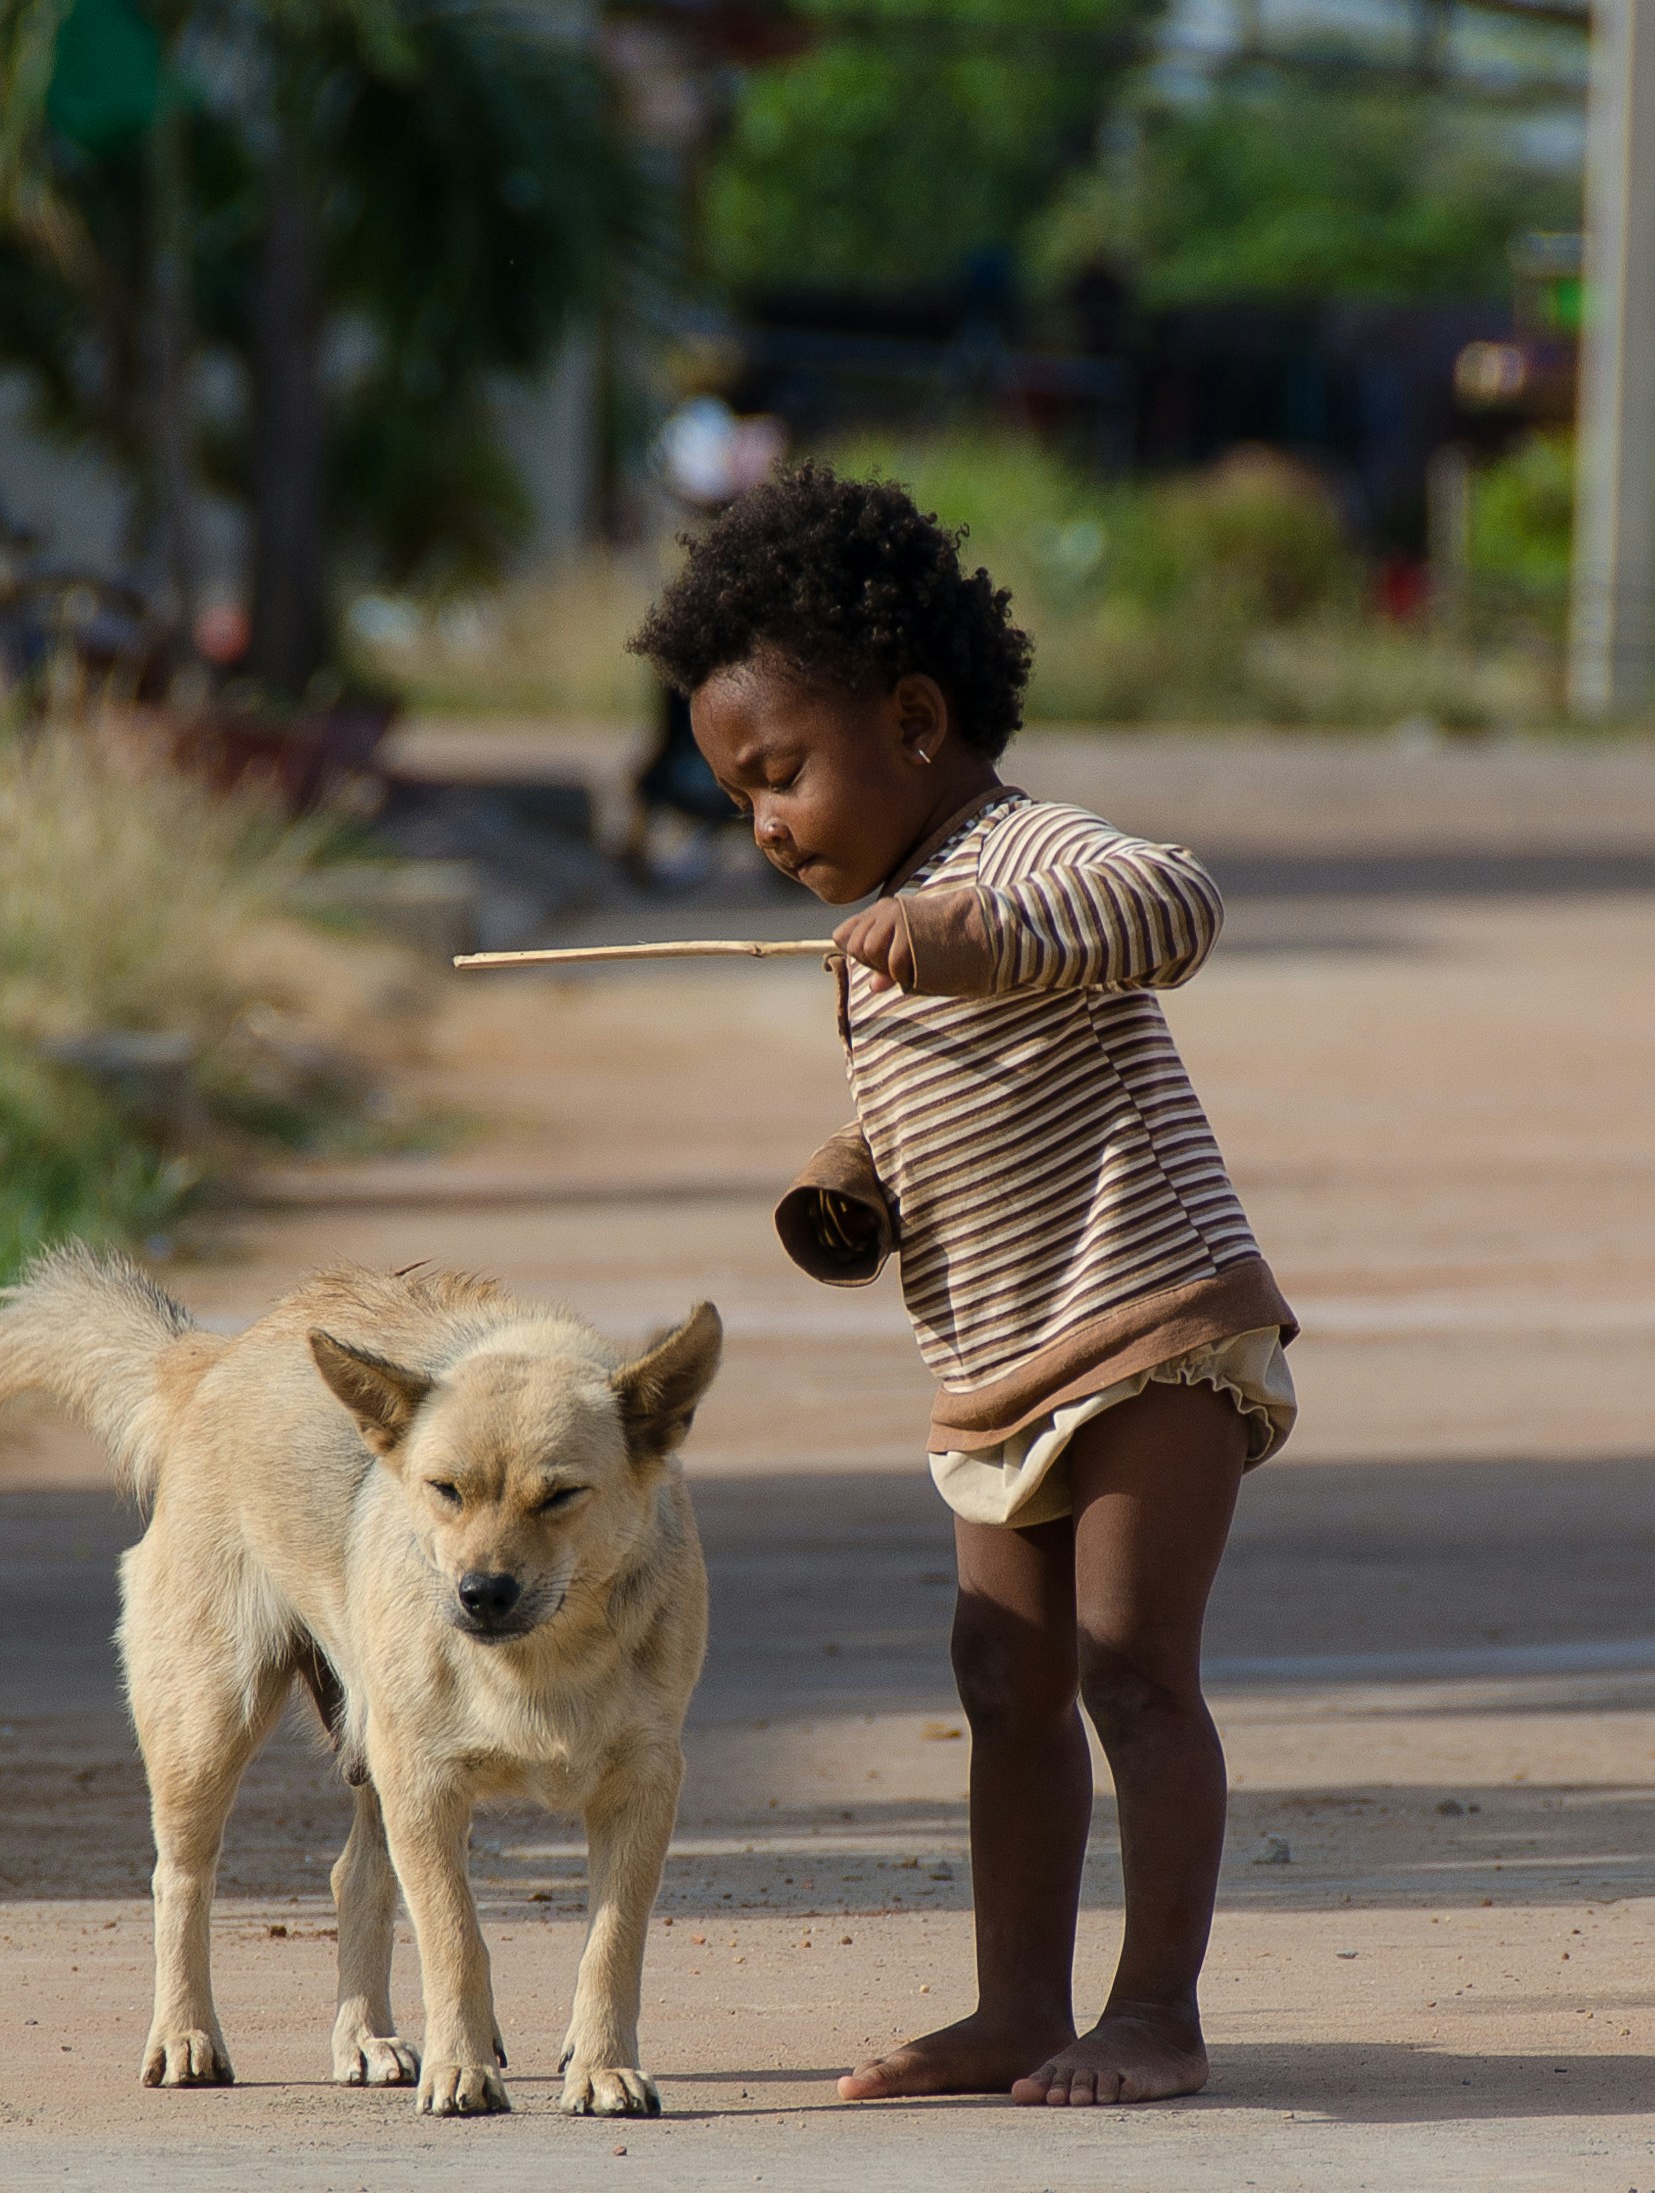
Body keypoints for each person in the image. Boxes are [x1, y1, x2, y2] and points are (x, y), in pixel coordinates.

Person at [627, 462, 1296, 2109]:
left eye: (778, 773)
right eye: (737, 799)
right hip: (1002, 1364)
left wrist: (983, 933)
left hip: (1154, 1326)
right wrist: (845, 1181)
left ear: (914, 718)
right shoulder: (886, 939)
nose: (765, 822)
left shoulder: (1024, 856)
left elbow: (1173, 901)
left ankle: (1157, 2011)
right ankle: (1015, 2005)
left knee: (1133, 1663)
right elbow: (922, 1103)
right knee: (1003, 1675)